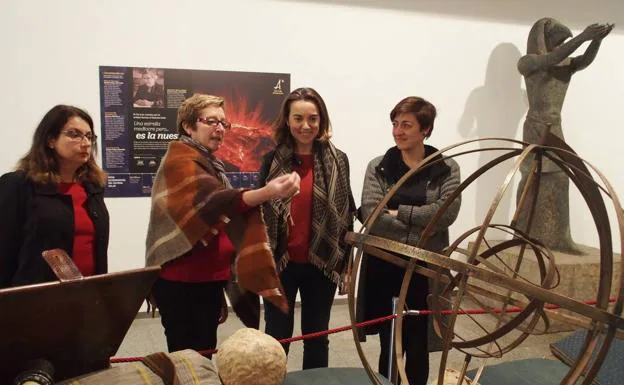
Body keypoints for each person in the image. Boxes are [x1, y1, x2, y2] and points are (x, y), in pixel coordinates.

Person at [145, 93, 300, 356]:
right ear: (188, 125)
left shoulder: (208, 162)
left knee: (204, 354)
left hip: (207, 279)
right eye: (211, 121)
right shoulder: (179, 159)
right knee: (185, 359)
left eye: (223, 123)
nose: (219, 128)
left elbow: (219, 207)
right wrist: (266, 192)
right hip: (183, 281)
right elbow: (214, 202)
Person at [357, 96, 461, 385]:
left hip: (425, 269)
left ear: (425, 129)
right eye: (395, 124)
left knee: (418, 342)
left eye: (406, 124)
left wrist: (399, 211)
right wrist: (418, 232)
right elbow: (373, 213)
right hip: (386, 264)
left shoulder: (446, 168)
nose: (398, 131)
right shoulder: (379, 166)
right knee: (390, 341)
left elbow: (445, 213)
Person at [259, 87, 356, 369]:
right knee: (277, 337)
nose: (305, 126)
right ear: (287, 121)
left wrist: (346, 262)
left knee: (317, 336)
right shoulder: (272, 160)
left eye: (312, 118)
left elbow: (346, 211)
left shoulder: (339, 160)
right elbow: (260, 213)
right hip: (280, 264)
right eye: (298, 118)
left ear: (321, 121)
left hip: (321, 263)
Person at [0, 105, 109, 288]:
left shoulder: (93, 187)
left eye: (89, 137)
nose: (86, 143)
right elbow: (4, 251)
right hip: (35, 301)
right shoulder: (18, 185)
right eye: (74, 134)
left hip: (88, 297)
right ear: (50, 140)